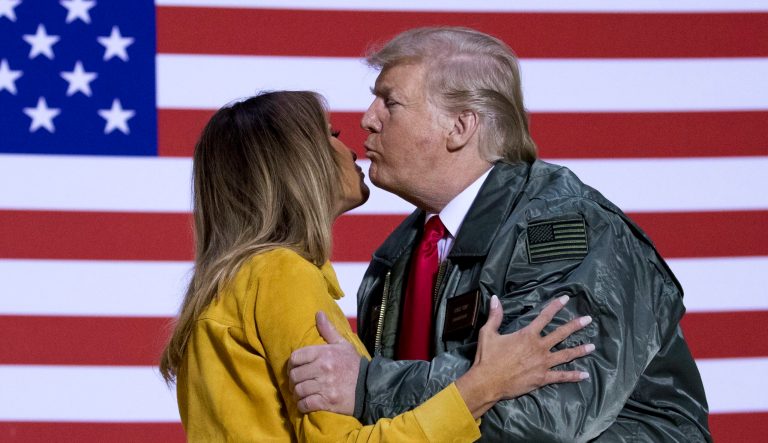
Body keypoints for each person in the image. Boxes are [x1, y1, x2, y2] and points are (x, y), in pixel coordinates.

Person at [287, 27, 712, 441]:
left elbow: (544, 413)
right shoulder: (396, 256)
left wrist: (367, 387)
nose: (367, 119)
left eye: (390, 102)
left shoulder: (565, 227)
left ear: (460, 126)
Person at [158, 91, 595, 441]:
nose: (351, 146)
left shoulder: (231, 284)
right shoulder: (279, 275)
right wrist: (485, 385)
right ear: (297, 162)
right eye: (331, 133)